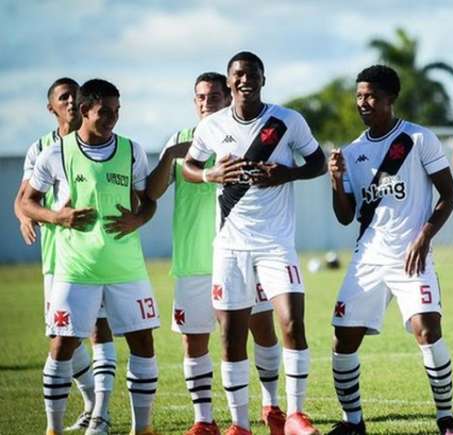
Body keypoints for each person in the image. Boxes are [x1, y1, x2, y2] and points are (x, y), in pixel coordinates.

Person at [183, 51, 327, 435]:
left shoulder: (287, 121)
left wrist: (287, 173)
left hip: (276, 243)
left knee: (291, 322)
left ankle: (295, 415)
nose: (245, 80)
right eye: (238, 75)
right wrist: (210, 174)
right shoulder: (211, 126)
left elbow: (319, 163)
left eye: (252, 74)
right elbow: (189, 167)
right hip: (230, 246)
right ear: (229, 82)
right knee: (231, 335)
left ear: (264, 79)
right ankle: (241, 425)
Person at [327, 65, 453, 435]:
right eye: (359, 96)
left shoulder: (418, 140)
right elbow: (345, 216)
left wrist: (424, 237)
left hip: (410, 254)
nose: (363, 103)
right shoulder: (353, 152)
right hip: (367, 256)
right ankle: (353, 423)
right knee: (343, 338)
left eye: (370, 96)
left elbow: (449, 195)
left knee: (427, 329)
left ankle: (446, 419)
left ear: (390, 98)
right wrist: (336, 180)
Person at [21, 79, 160, 435]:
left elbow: (149, 202)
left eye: (117, 111)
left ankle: (141, 429)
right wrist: (57, 217)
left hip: (127, 269)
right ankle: (53, 429)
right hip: (76, 270)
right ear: (85, 111)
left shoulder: (132, 150)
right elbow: (27, 202)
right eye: (105, 112)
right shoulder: (56, 153)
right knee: (63, 344)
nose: (113, 118)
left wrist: (138, 218)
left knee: (143, 342)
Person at [13, 78, 118, 433]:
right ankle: (92, 402)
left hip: (96, 256)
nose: (71, 101)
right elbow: (23, 199)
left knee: (98, 329)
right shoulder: (42, 148)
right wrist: (29, 216)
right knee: (61, 337)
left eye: (75, 95)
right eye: (63, 97)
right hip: (56, 257)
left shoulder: (106, 141)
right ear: (52, 108)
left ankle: (101, 413)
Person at [145, 72, 231, 434]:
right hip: (192, 261)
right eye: (199, 97)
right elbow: (152, 193)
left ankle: (262, 413)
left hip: (234, 257)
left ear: (228, 98)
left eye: (213, 96)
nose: (205, 102)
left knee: (241, 337)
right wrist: (168, 156)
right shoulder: (180, 141)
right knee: (193, 340)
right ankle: (203, 421)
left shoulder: (238, 136)